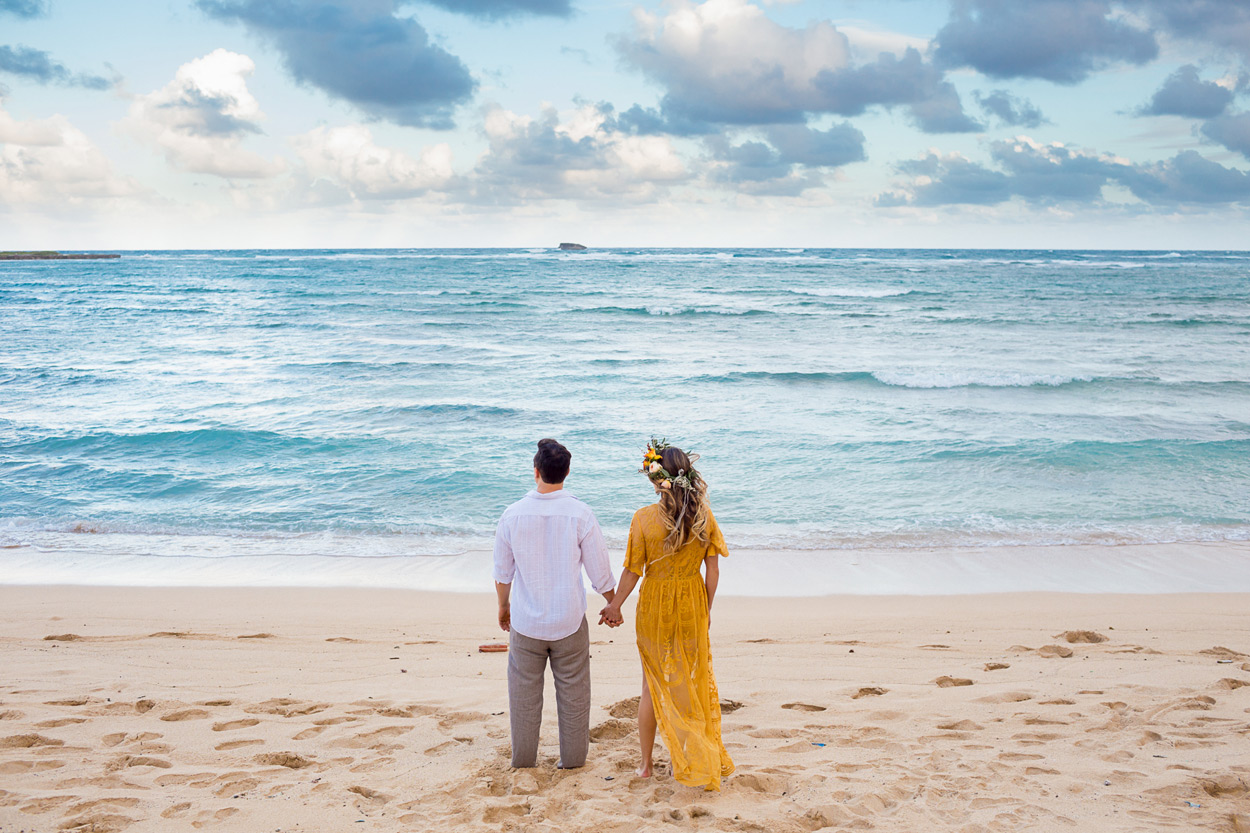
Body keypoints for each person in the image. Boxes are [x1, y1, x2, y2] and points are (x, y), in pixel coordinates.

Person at [599, 438, 734, 791]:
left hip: (655, 604)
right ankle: (687, 760)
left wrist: (615, 606)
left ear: (653, 476)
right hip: (692, 601)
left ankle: (645, 765)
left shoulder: (643, 519)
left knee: (650, 684)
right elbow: (713, 572)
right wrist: (705, 609)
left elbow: (633, 571)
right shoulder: (703, 516)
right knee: (688, 681)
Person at [493, 438, 617, 770]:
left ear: (536, 472)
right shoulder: (580, 513)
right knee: (574, 695)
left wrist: (504, 607)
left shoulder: (512, 515)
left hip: (526, 623)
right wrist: (612, 602)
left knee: (523, 697)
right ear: (567, 472)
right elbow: (599, 570)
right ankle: (573, 761)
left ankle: (523, 761)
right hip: (569, 620)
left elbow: (503, 573)